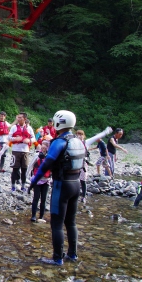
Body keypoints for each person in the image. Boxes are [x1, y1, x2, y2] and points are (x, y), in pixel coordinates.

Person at [30, 110, 86, 266]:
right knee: (71, 222)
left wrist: (34, 181)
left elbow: (46, 164)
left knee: (56, 223)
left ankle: (57, 258)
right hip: (76, 185)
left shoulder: (60, 142)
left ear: (58, 123)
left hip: (62, 185)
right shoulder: (77, 141)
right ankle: (72, 255)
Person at [8, 112, 36, 191]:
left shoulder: (29, 128)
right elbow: (9, 137)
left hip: (25, 151)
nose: (18, 119)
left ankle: (23, 186)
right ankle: (13, 186)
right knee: (15, 169)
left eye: (20, 117)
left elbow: (34, 139)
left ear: (25, 119)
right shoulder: (14, 127)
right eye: (18, 117)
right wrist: (15, 139)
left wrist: (29, 140)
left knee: (24, 169)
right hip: (16, 150)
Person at [27, 140, 51, 222]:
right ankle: (33, 216)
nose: (44, 147)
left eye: (46, 145)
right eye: (43, 145)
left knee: (43, 199)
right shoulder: (37, 155)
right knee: (36, 198)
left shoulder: (50, 157)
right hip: (37, 180)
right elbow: (30, 166)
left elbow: (53, 169)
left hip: (46, 181)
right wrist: (27, 177)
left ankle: (41, 216)